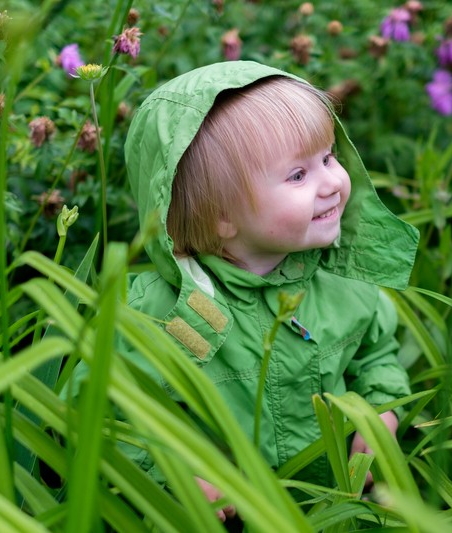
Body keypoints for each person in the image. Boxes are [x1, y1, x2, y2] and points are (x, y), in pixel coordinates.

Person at [122, 60, 419, 521]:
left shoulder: (342, 286)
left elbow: (376, 356)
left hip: (336, 512)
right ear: (219, 216)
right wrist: (175, 473)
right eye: (298, 176)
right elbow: (111, 413)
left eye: (328, 158)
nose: (332, 184)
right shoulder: (178, 312)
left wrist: (381, 415)